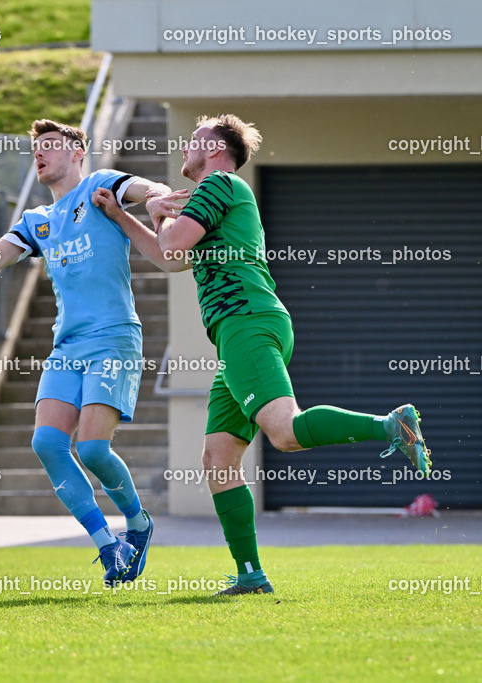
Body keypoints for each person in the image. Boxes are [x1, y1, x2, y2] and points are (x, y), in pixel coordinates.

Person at [98, 114, 431, 595]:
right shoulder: (212, 196)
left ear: (215, 149)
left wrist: (157, 210)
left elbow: (171, 242)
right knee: (217, 459)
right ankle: (250, 574)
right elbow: (170, 257)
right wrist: (124, 215)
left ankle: (390, 425)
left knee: (285, 432)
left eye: (194, 141)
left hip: (246, 323)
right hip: (239, 331)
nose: (185, 148)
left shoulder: (220, 184)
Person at [0, 119, 169, 586]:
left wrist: (156, 197)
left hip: (113, 338)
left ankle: (137, 523)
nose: (41, 153)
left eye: (52, 145)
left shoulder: (99, 185)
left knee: (92, 448)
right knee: (47, 443)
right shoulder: (37, 221)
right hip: (67, 345)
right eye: (37, 148)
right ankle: (107, 545)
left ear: (77, 153)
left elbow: (147, 186)